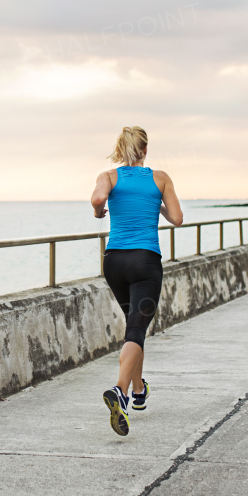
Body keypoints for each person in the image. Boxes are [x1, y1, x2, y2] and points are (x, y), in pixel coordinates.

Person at [90, 126, 184, 437]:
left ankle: (138, 389)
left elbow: (98, 198)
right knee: (136, 328)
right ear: (145, 150)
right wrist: (154, 204)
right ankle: (120, 390)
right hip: (145, 262)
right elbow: (177, 218)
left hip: (114, 262)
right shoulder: (160, 178)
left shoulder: (109, 176)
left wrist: (98, 211)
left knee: (134, 325)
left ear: (119, 150)